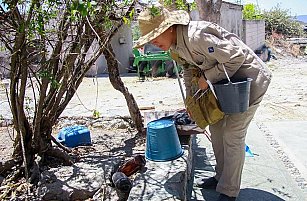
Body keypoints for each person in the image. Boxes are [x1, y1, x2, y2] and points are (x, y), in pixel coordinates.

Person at [134, 5, 272, 201]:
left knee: (233, 134)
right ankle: (220, 177)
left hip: (248, 81)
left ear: (171, 27)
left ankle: (229, 190)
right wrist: (191, 101)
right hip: (224, 85)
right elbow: (189, 71)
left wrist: (207, 77)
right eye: (150, 38)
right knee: (216, 127)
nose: (153, 42)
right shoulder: (175, 47)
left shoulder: (196, 36)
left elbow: (236, 57)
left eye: (156, 34)